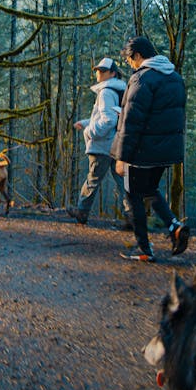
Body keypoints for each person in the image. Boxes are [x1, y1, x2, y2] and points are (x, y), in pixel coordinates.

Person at [111, 35, 189, 262]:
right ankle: (175, 227)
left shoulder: (142, 79)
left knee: (133, 194)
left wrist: (122, 156)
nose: (130, 65)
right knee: (150, 190)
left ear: (137, 55)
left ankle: (144, 248)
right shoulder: (174, 77)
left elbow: (132, 120)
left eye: (129, 60)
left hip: (142, 151)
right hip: (166, 151)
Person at [66, 57, 132, 227]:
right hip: (117, 144)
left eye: (102, 71)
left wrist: (90, 131)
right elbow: (108, 117)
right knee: (122, 181)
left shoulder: (106, 92)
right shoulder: (119, 91)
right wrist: (86, 123)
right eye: (97, 70)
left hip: (102, 145)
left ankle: (82, 211)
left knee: (93, 179)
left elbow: (108, 120)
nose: (98, 73)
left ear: (112, 73)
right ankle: (133, 217)